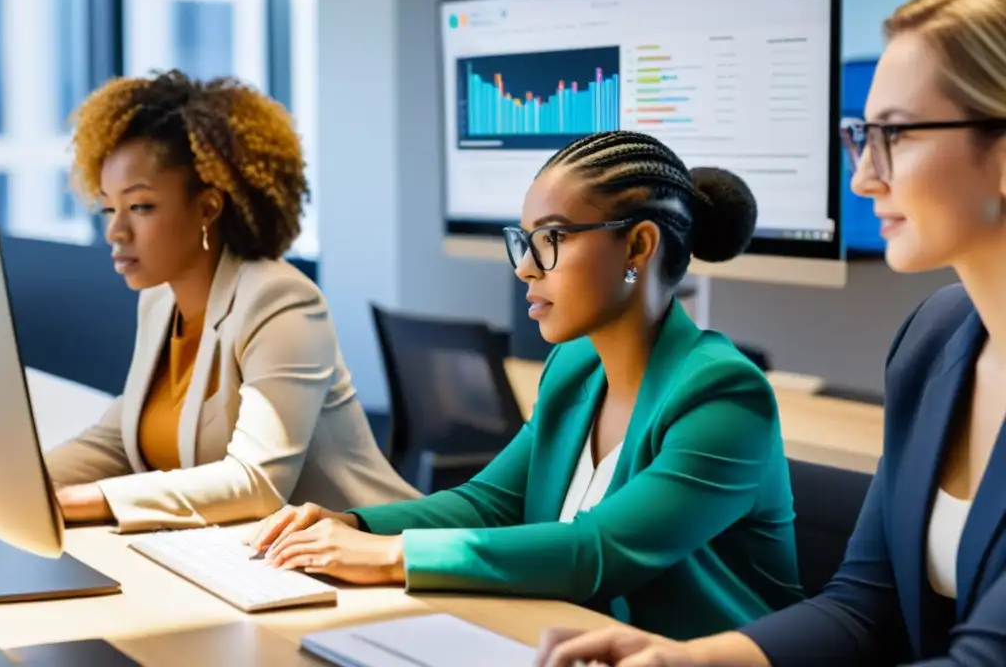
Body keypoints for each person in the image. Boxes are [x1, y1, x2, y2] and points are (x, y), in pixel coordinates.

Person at [535, 0, 1006, 667]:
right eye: (861, 138)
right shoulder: (934, 341)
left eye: (896, 136)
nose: (863, 178)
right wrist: (684, 660)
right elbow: (862, 604)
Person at [245, 130, 804, 639]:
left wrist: (390, 555)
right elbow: (489, 503)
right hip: (571, 641)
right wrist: (352, 522)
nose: (526, 268)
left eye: (553, 237)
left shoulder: (725, 395)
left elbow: (597, 551)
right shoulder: (574, 366)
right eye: (525, 240)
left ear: (638, 246)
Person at [44, 70, 419, 534]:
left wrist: (90, 500)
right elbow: (116, 441)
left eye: (140, 207)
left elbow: (256, 483)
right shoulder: (160, 302)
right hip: (251, 565)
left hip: (373, 563)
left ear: (207, 208)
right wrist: (20, 487)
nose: (115, 232)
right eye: (108, 208)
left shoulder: (281, 302)